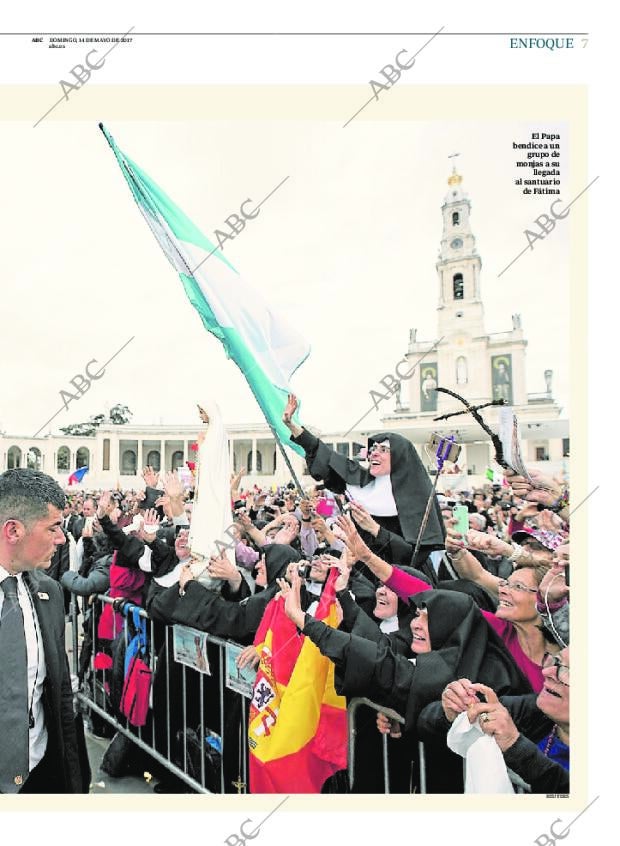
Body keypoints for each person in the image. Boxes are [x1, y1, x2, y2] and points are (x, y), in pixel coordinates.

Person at [281, 393, 445, 567]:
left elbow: (414, 556)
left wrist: (375, 529)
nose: (374, 452)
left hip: (400, 579)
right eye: (373, 448)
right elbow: (324, 454)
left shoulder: (419, 497)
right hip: (362, 575)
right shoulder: (361, 480)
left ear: (400, 457)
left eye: (383, 449)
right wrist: (291, 425)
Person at [0, 468, 86, 793]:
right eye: (53, 527)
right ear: (14, 531)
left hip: (39, 774)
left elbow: (60, 694)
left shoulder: (48, 593)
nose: (62, 538)